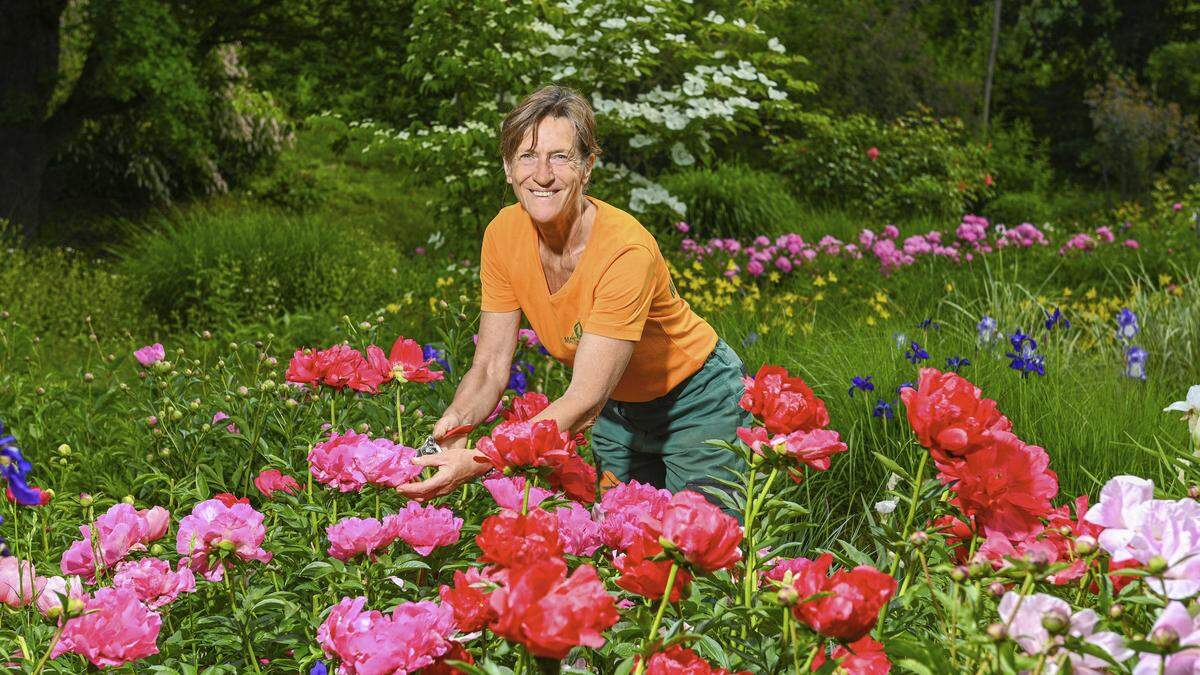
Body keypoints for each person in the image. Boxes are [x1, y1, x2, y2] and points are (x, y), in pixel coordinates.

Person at [396, 85, 751, 505]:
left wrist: (482, 457)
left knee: (701, 548)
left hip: (696, 400)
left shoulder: (624, 251)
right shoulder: (503, 234)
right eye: (527, 156)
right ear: (508, 168)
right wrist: (457, 422)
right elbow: (490, 365)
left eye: (559, 156)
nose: (542, 174)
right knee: (618, 548)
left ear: (587, 167)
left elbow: (584, 399)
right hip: (619, 409)